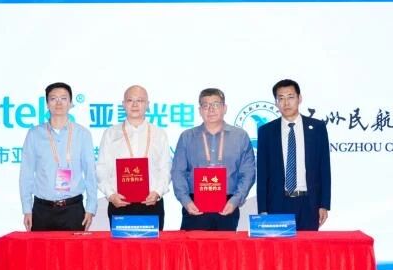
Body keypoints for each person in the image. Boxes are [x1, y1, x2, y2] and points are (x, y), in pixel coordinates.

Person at [171, 88, 255, 231]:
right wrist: (186, 201)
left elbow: (248, 173)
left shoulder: (240, 136)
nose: (211, 109)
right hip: (195, 205)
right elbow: (178, 172)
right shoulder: (187, 137)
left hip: (228, 205)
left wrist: (235, 201)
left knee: (224, 246)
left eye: (216, 104)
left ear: (224, 108)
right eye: (206, 105)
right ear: (200, 110)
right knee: (193, 246)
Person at [18, 82, 96, 231]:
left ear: (71, 103)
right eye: (53, 98)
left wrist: (91, 207)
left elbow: (90, 172)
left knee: (74, 248)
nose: (59, 103)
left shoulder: (82, 134)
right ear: (47, 104)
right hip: (42, 210)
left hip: (73, 209)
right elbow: (26, 173)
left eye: (63, 98)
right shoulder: (34, 134)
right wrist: (27, 209)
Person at [256, 79, 331, 231]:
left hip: (309, 203)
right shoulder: (266, 131)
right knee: (279, 246)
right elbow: (262, 173)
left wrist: (324, 204)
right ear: (276, 102)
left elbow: (324, 168)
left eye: (290, 97)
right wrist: (262, 208)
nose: (286, 103)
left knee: (308, 246)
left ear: (299, 98)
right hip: (277, 203)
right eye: (281, 98)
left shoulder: (317, 128)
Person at [97, 85, 172, 230]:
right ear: (123, 104)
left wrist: (158, 192)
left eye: (140, 100)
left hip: (151, 203)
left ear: (147, 105)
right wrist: (111, 195)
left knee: (153, 245)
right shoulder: (111, 133)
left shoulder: (159, 134)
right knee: (121, 245)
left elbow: (165, 167)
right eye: (130, 100)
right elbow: (102, 168)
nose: (135, 105)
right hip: (120, 203)